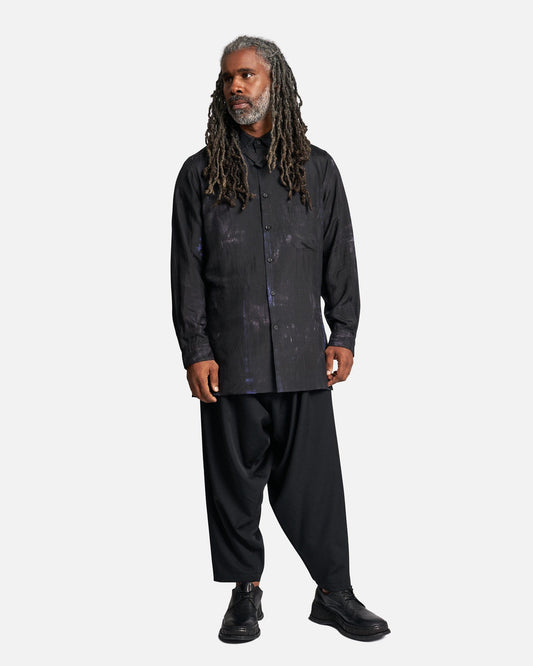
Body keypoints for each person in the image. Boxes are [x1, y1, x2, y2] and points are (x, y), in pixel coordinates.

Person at [170, 35, 390, 643]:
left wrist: (343, 331)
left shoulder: (318, 170)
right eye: (227, 79)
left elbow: (339, 255)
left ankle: (334, 593)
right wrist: (196, 350)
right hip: (231, 360)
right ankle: (245, 592)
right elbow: (186, 272)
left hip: (301, 358)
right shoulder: (199, 175)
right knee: (233, 485)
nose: (235, 87)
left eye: (246, 76)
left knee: (316, 484)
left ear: (276, 83)